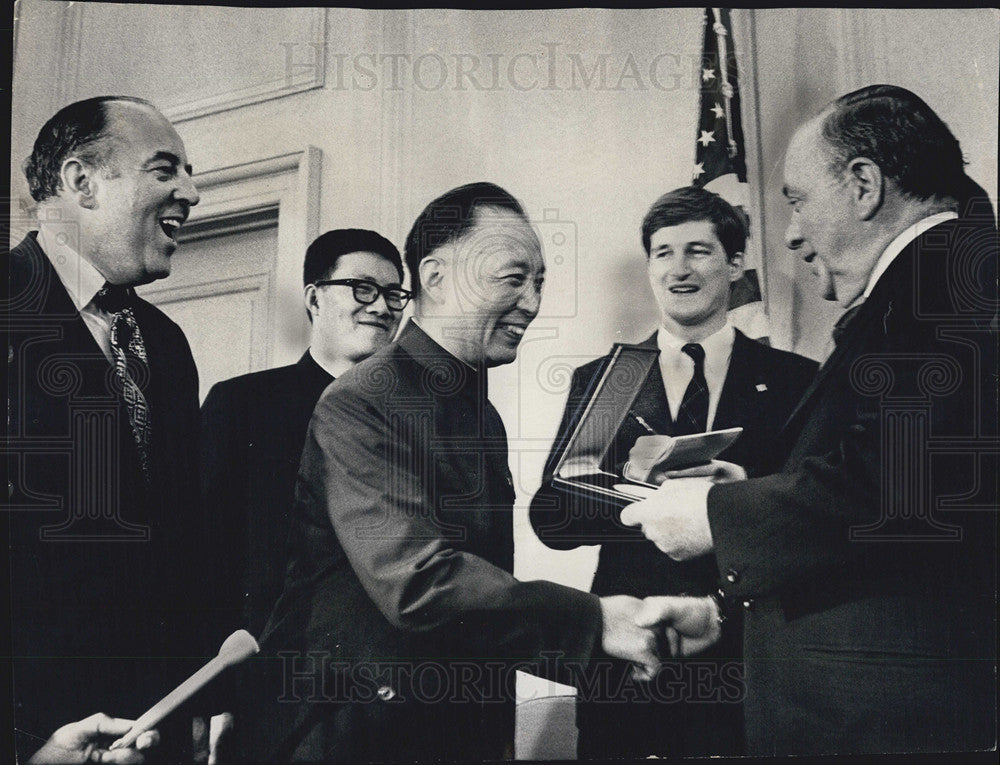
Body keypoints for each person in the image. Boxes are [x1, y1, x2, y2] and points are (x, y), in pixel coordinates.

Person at [621, 85, 997, 755]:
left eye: (796, 200)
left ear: (863, 185)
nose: (790, 232)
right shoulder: (932, 281)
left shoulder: (945, 282)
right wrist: (721, 614)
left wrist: (717, 512)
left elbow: (900, 486)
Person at [254, 182, 662, 763]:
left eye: (539, 282)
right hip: (363, 736)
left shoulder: (479, 412)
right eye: (513, 277)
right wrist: (596, 622)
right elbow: (418, 582)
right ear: (437, 276)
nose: (532, 302)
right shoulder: (363, 400)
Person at [529, 186, 816, 758]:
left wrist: (735, 500)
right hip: (629, 660)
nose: (678, 270)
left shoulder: (793, 378)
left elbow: (810, 518)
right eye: (663, 252)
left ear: (736, 263)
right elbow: (553, 521)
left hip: (746, 657)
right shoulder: (609, 380)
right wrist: (647, 494)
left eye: (698, 251)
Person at [6, 96, 208, 761]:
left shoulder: (167, 344)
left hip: (155, 729)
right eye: (164, 169)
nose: (192, 191)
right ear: (80, 182)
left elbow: (179, 546)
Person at [200, 228, 408, 640]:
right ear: (314, 298)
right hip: (275, 666)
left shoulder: (416, 417)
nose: (383, 307)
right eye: (363, 289)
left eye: (394, 294)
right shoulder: (242, 403)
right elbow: (206, 552)